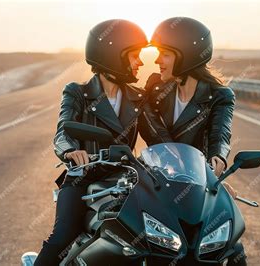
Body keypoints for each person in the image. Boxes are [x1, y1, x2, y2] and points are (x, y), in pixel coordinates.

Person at [33, 19, 172, 266]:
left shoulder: (138, 97)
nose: (140, 62)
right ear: (112, 55)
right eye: (134, 56)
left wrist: (197, 170)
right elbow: (63, 131)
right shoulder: (77, 92)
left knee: (161, 237)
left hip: (127, 182)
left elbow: (161, 138)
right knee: (61, 238)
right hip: (83, 178)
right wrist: (71, 152)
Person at [145, 17, 246, 265]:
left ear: (186, 56)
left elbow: (220, 134)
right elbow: (152, 131)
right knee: (139, 241)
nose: (157, 61)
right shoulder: (155, 87)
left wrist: (218, 160)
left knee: (231, 247)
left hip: (198, 182)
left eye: (165, 54)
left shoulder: (220, 96)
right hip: (157, 179)